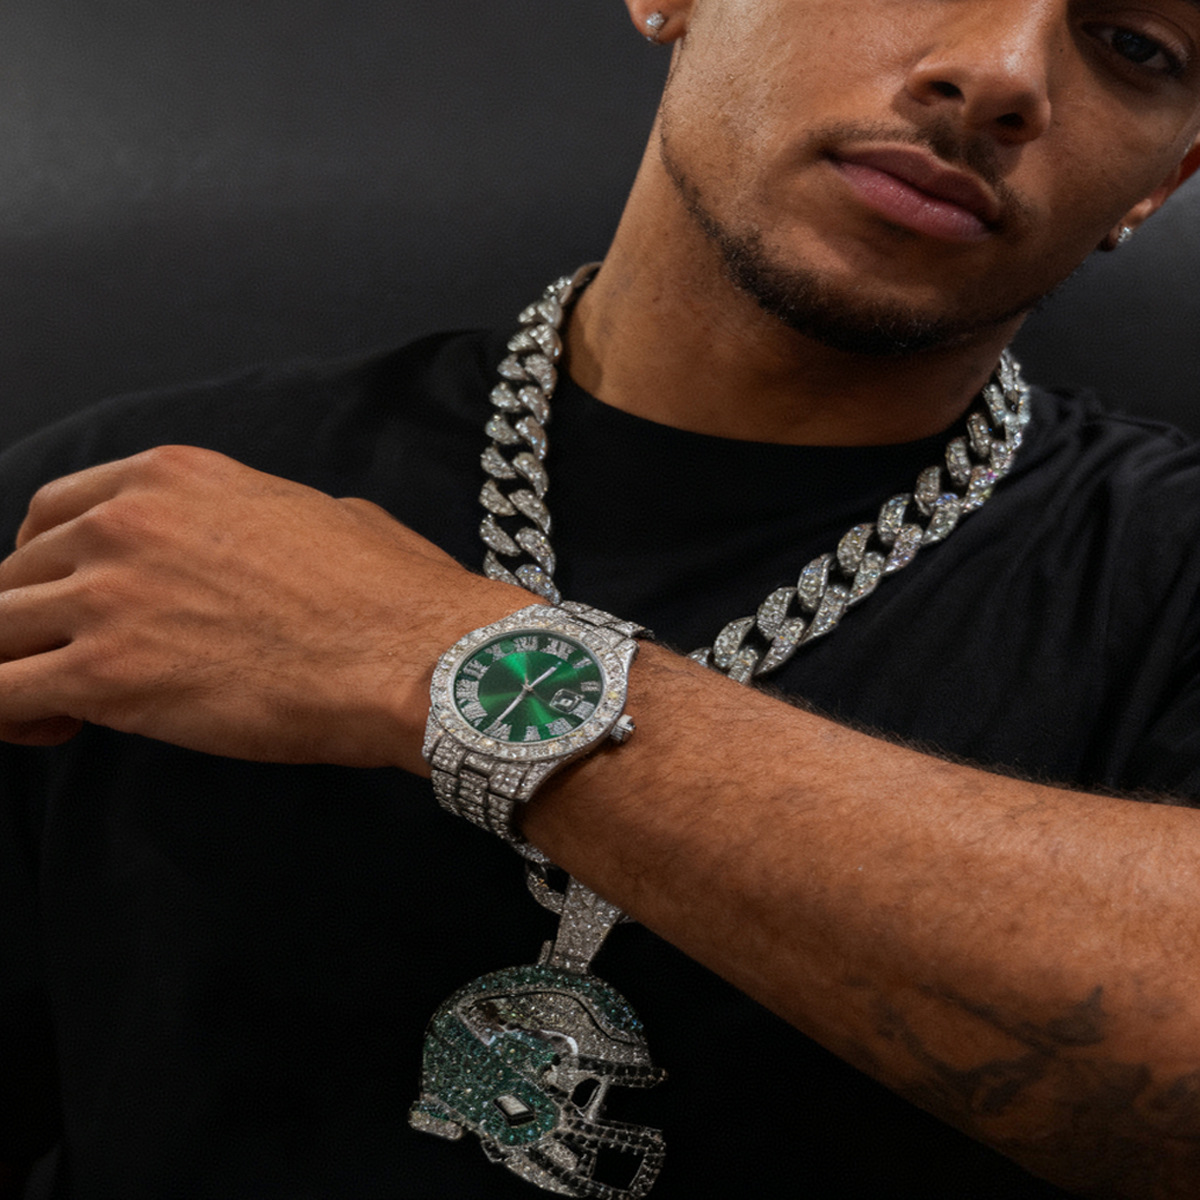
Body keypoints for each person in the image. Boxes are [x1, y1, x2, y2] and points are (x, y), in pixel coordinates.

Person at [3, 0, 1200, 1196]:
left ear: (1164, 179)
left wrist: (430, 651)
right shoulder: (130, 518)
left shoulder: (1166, 573)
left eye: (1139, 46)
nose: (999, 73)